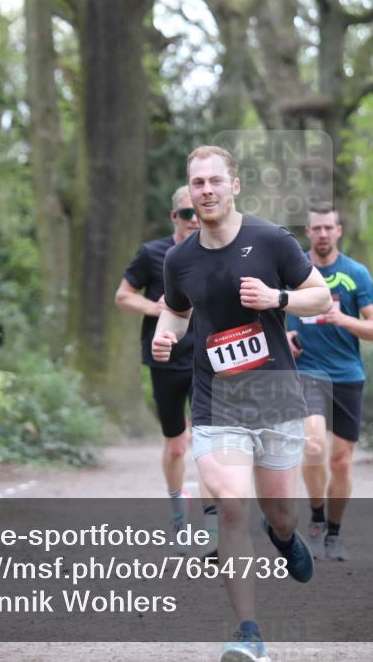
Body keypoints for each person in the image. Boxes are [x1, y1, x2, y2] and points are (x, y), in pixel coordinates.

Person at [152, 145, 332, 662]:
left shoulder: (271, 240)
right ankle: (249, 633)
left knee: (280, 514)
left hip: (274, 396)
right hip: (217, 399)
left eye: (214, 181)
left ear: (234, 185)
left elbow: (320, 298)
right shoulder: (179, 259)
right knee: (231, 504)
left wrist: (277, 299)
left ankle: (286, 537)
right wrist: (166, 336)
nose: (205, 191)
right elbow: (176, 313)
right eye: (197, 184)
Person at [114, 186, 217, 557]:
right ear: (174, 217)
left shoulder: (215, 250)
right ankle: (178, 516)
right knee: (176, 446)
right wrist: (158, 310)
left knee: (208, 443)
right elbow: (123, 296)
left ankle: (211, 524)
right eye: (186, 213)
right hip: (166, 359)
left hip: (207, 359)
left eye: (198, 213)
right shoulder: (153, 253)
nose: (194, 219)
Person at [286, 204, 373, 562]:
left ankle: (334, 533)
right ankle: (315, 517)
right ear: (308, 232)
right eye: (317, 228)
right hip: (308, 373)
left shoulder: (356, 274)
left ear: (339, 230)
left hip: (347, 374)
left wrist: (343, 319)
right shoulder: (294, 271)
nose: (323, 234)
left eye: (329, 227)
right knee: (313, 446)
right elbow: (271, 313)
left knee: (342, 461)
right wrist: (285, 337)